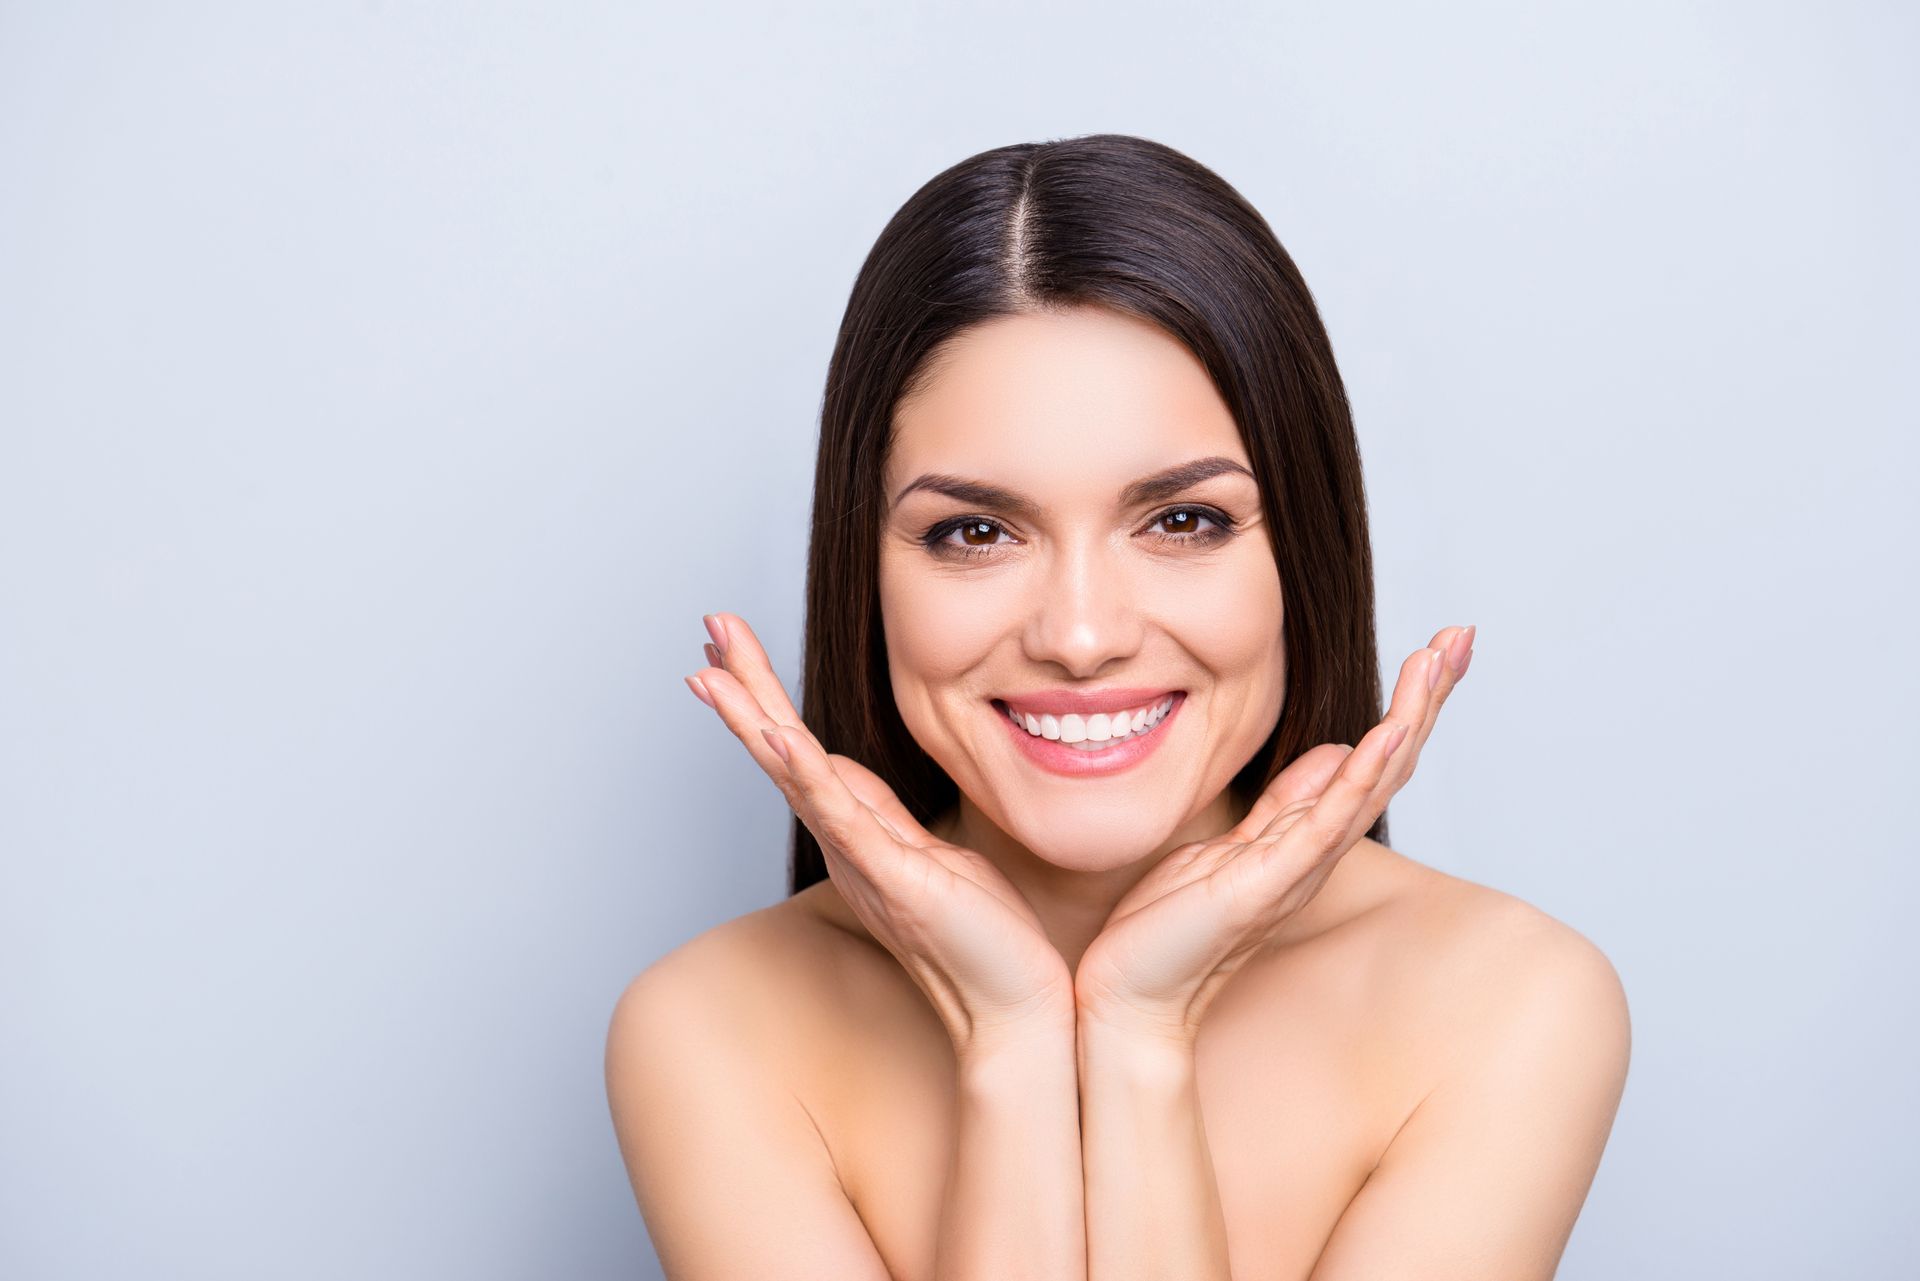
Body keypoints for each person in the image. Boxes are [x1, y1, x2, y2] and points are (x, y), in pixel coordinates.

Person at [604, 133, 1630, 1280]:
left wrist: (1141, 1034)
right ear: (867, 571)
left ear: (1304, 554)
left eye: (1183, 521)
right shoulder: (714, 1027)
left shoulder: (1507, 1001)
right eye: (975, 532)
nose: (1081, 636)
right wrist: (1011, 1039)